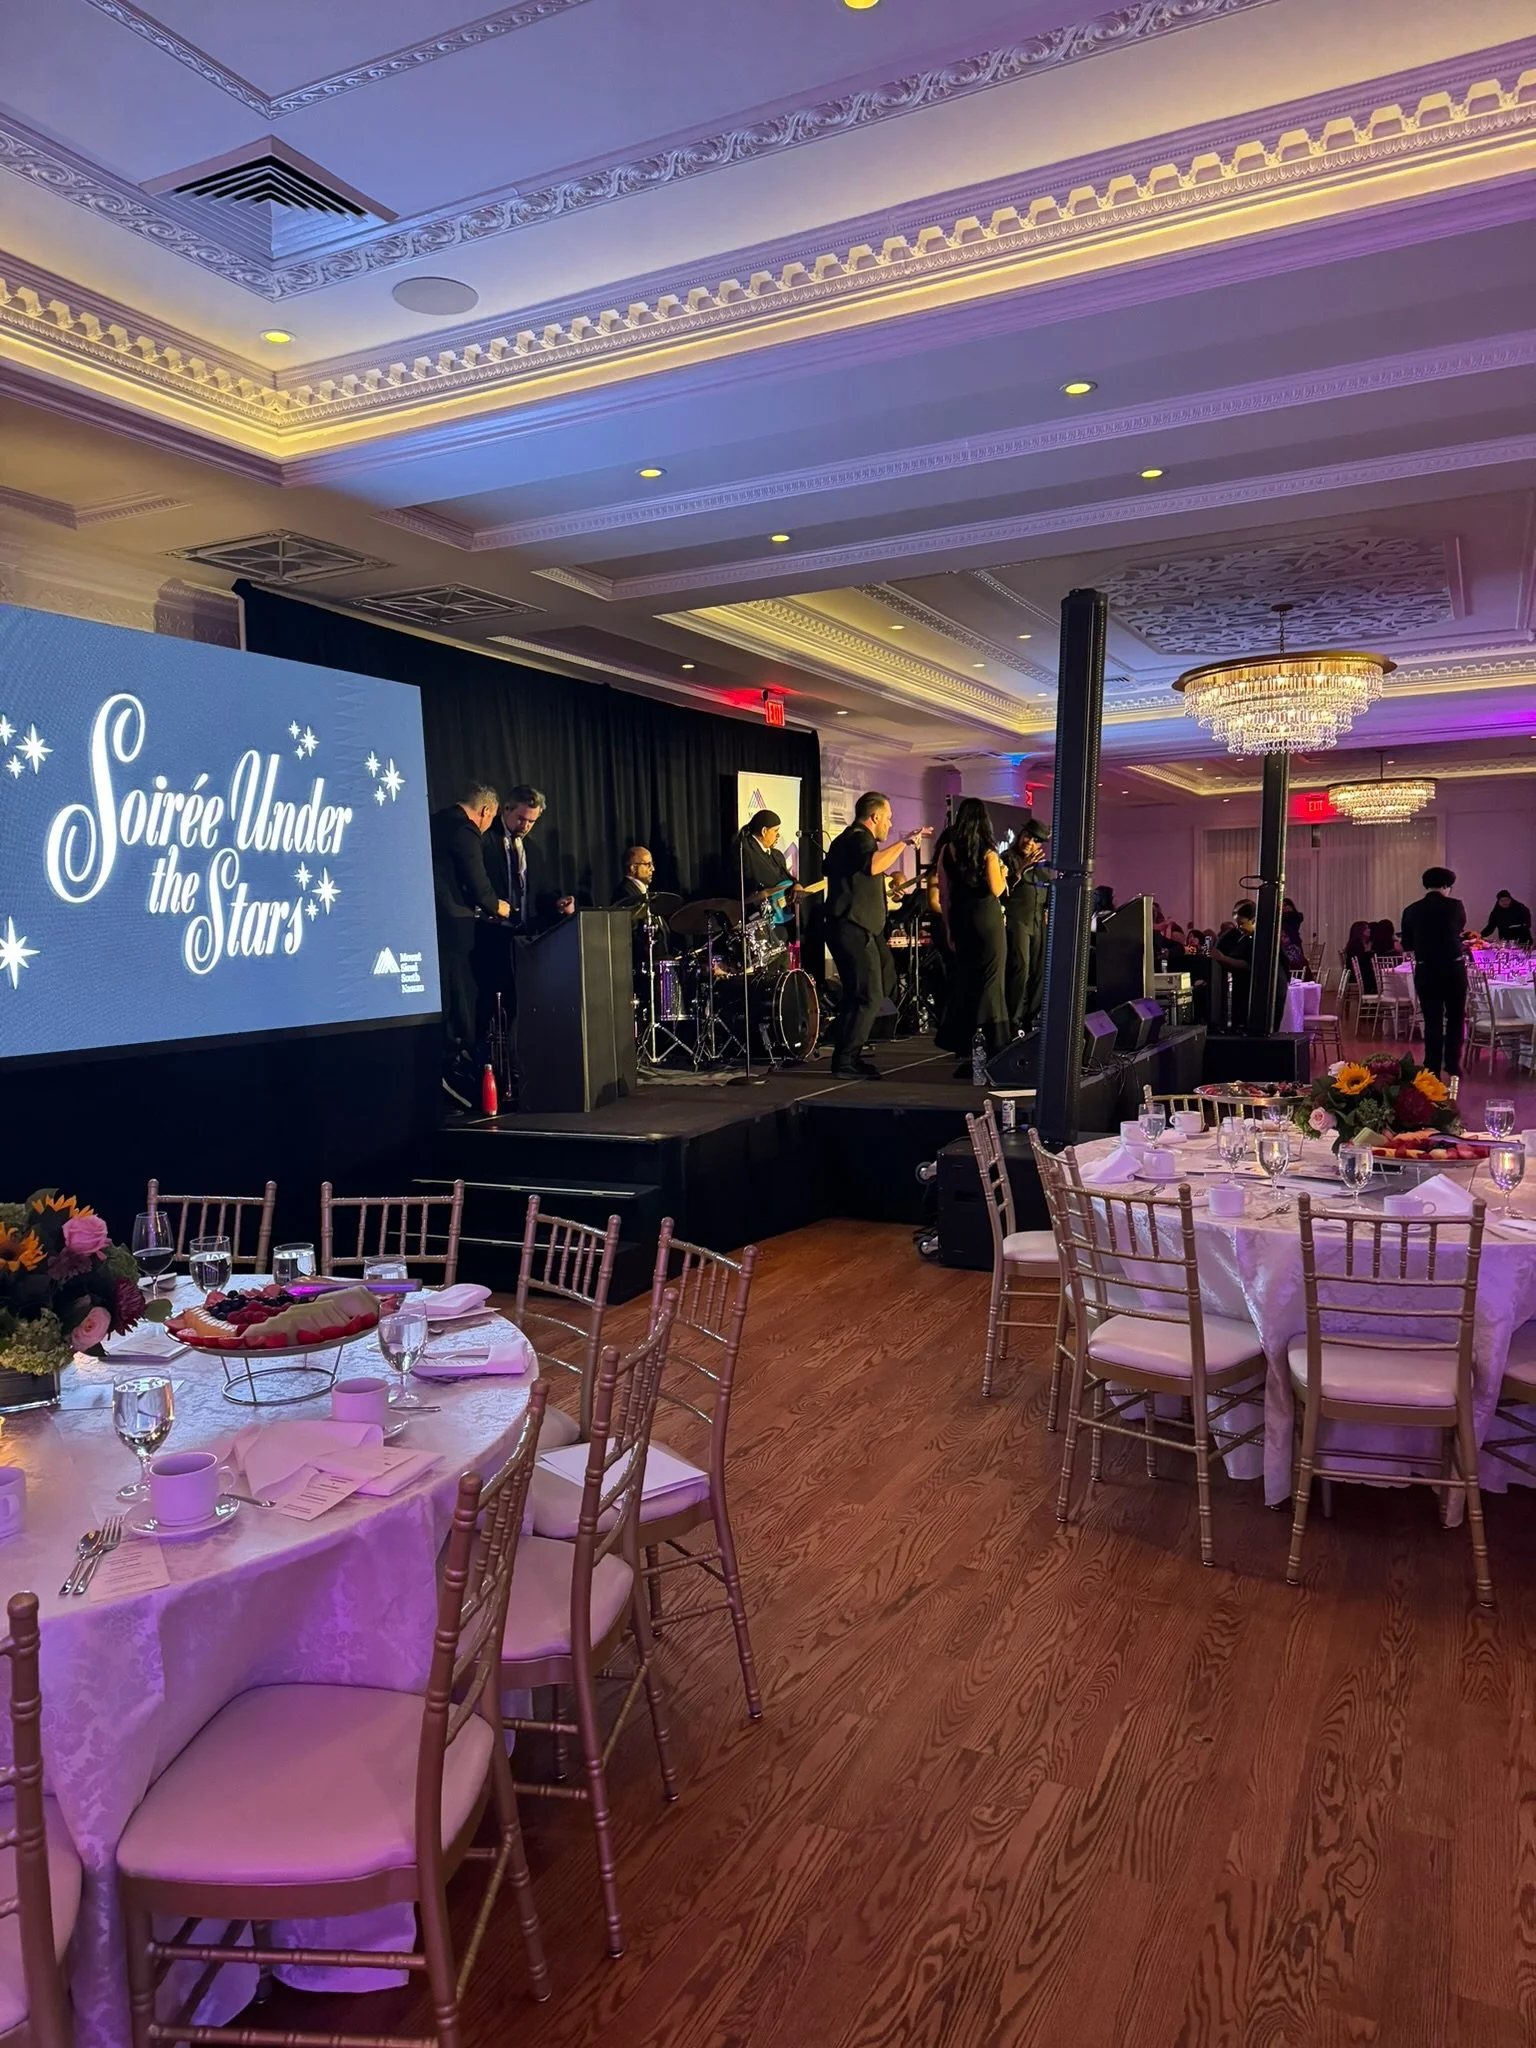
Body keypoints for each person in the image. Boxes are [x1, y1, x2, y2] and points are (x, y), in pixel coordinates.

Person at [475, 784, 576, 1103]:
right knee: (487, 1006)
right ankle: (486, 1071)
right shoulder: (484, 842)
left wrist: (558, 904)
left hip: (523, 940)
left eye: (532, 821)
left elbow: (540, 893)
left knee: (521, 1007)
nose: (526, 826)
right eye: (521, 819)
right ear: (506, 809)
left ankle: (519, 1071)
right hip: (487, 938)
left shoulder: (533, 850)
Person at [824, 792, 930, 1079]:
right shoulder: (859, 839)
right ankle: (846, 1061)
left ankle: (846, 1056)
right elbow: (873, 865)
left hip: (852, 928)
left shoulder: (845, 841)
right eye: (888, 818)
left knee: (863, 993)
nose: (889, 824)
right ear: (875, 817)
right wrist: (904, 843)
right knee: (869, 995)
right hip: (852, 928)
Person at [430, 781, 509, 1109]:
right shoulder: (466, 830)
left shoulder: (435, 822)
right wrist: (500, 907)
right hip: (453, 929)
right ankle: (456, 1071)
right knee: (462, 997)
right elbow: (479, 885)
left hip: (431, 922)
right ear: (486, 811)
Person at [935, 797, 1008, 1073]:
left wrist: (950, 928)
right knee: (991, 982)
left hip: (962, 920)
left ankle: (967, 1046)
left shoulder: (948, 851)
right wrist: (1002, 870)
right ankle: (991, 1046)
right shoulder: (989, 852)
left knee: (967, 982)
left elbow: (944, 894)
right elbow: (997, 890)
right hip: (986, 921)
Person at [1402, 866, 1469, 1079]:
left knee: (1432, 1019)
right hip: (1452, 968)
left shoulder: (1411, 909)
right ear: (1447, 886)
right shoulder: (1455, 906)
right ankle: (1452, 1065)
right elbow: (1459, 929)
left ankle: (1431, 1066)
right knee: (1456, 1017)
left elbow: (1407, 944)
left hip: (1426, 968)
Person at [1211, 900, 1291, 1031]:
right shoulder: (1239, 935)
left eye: (1242, 923)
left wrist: (1223, 958)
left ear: (1253, 920)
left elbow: (1250, 964)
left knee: (1262, 1029)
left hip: (1268, 990)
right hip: (1247, 988)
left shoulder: (1265, 936)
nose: (1238, 927)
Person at [1003, 817, 1049, 1033]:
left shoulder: (1042, 866)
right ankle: (1013, 1021)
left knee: (1038, 972)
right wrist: (1022, 868)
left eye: (1034, 840)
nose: (1029, 842)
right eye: (1027, 836)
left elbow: (1048, 894)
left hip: (1038, 922)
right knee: (1020, 969)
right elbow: (1003, 890)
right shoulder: (1007, 858)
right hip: (1017, 920)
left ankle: (1032, 1020)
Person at [613, 844, 656, 920]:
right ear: (633, 868)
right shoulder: (625, 894)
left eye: (652, 864)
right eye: (647, 864)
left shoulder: (639, 890)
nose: (652, 869)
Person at [1342, 919, 1377, 995]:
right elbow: (1361, 961)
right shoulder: (1356, 945)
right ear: (1361, 931)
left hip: (1358, 973)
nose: (1369, 930)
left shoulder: (1359, 943)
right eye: (1367, 928)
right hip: (1357, 975)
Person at [1280, 896, 1306, 971]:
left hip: (1294, 941)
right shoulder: (1280, 917)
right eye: (1282, 905)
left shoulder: (1296, 916)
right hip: (1284, 942)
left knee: (1297, 962)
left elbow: (1295, 924)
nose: (1284, 907)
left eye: (1285, 905)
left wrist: (1290, 913)